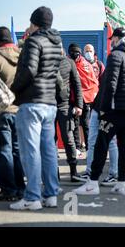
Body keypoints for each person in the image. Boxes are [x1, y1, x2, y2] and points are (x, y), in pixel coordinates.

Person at [74, 28, 125, 196]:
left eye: (113, 39)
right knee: (124, 146)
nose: (112, 42)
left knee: (101, 144)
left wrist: (104, 109)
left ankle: (92, 183)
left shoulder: (116, 55)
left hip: (114, 108)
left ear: (118, 39)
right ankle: (121, 183)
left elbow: (111, 84)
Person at [10, 6, 63, 210]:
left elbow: (30, 70)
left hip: (31, 102)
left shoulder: (33, 41)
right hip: (49, 103)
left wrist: (14, 90)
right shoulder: (56, 43)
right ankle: (51, 194)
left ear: (34, 23)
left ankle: (32, 198)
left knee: (30, 151)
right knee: (48, 150)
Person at [0, 27, 25, 201]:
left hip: (3, 111)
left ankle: (9, 189)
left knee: (3, 151)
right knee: (18, 150)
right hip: (22, 110)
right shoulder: (23, 55)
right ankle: (21, 186)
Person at [56, 49, 83, 182]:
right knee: (49, 140)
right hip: (47, 104)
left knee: (68, 138)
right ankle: (54, 174)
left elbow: (77, 84)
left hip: (64, 105)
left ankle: (73, 171)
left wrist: (79, 105)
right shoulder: (43, 61)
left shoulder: (69, 62)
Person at [69, 43, 99, 151]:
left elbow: (92, 82)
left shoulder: (86, 65)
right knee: (75, 124)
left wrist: (92, 95)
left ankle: (89, 147)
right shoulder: (68, 63)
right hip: (72, 98)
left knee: (85, 124)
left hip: (85, 99)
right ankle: (77, 146)